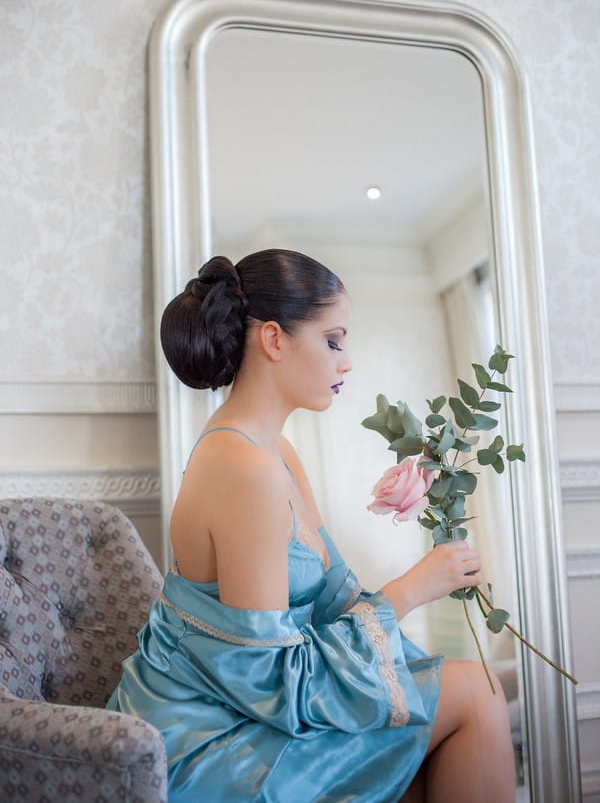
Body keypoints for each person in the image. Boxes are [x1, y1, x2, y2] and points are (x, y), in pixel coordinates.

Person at [107, 249, 515, 802]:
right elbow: (272, 680)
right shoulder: (244, 470)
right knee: (475, 692)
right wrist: (414, 589)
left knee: (447, 716)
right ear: (274, 340)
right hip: (212, 741)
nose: (346, 362)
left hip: (256, 708)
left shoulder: (277, 453)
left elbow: (332, 601)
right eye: (334, 340)